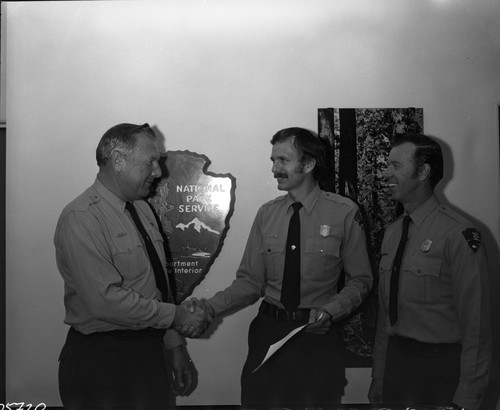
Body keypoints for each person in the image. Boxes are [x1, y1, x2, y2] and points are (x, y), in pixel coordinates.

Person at [191, 127, 373, 409]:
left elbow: (360, 280)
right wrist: (209, 308)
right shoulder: (268, 213)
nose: (275, 168)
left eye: (283, 160)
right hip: (268, 333)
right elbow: (250, 283)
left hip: (316, 337)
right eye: (273, 160)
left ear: (309, 164)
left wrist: (330, 312)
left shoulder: (344, 213)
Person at [54, 123, 212, 409]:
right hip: (103, 364)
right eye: (150, 161)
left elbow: (157, 286)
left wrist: (174, 346)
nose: (158, 171)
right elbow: (105, 302)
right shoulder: (81, 218)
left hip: (147, 355)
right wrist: (177, 316)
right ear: (117, 159)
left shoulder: (141, 208)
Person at [368, 134, 491, 410]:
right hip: (398, 368)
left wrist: (466, 400)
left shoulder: (458, 234)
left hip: (441, 373)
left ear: (423, 172)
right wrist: (380, 376)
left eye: (395, 166)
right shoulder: (392, 233)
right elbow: (387, 316)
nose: (386, 172)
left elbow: (477, 328)